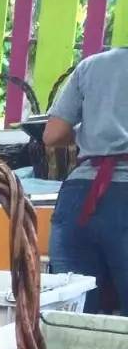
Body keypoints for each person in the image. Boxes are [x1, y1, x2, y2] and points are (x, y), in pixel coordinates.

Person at [43, 46, 128, 314]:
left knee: (74, 313)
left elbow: (52, 135)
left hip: (80, 196)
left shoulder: (92, 65)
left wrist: (89, 136)